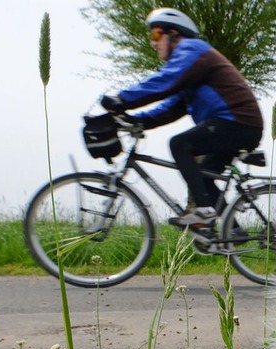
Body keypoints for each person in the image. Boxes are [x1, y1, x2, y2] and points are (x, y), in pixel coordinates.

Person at [101, 7, 263, 227]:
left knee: (179, 144)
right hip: (237, 126)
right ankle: (232, 232)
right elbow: (170, 108)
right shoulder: (191, 70)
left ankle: (204, 211)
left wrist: (121, 99)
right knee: (205, 176)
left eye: (156, 35)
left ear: (174, 34)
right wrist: (137, 120)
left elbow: (166, 81)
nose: (153, 43)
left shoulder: (192, 49)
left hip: (237, 123)